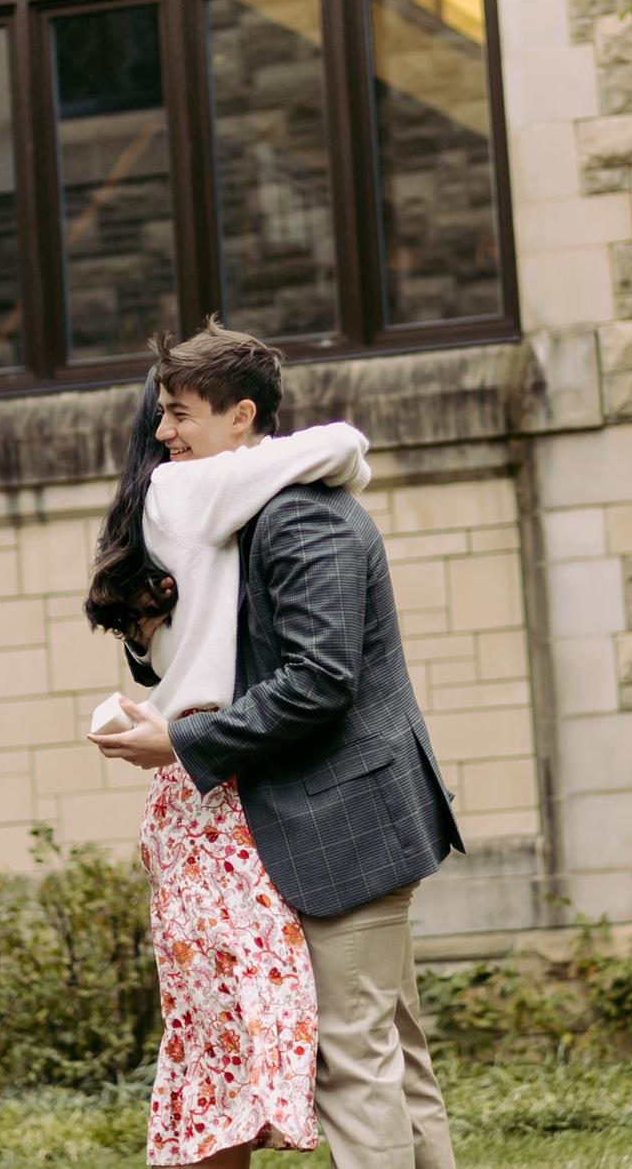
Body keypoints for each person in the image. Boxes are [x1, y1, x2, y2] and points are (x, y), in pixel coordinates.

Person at [95, 318, 465, 1169]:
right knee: (388, 1057)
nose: (163, 433)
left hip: (347, 826)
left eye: (180, 413)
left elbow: (319, 683)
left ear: (241, 416)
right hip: (320, 823)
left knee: (353, 1060)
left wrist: (183, 745)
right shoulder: (242, 515)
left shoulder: (304, 518)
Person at [85, 356, 372, 1169]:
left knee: (229, 1028)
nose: (168, 434)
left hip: (220, 787)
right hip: (213, 793)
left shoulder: (213, 510)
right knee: (225, 1034)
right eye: (162, 419)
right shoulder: (184, 492)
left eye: (180, 415)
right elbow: (344, 446)